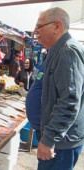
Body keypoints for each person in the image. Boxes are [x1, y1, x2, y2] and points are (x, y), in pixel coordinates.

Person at [34, 7, 84, 170]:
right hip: (60, 141)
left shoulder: (67, 51)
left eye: (40, 26)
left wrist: (49, 139)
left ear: (57, 26)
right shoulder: (58, 50)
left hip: (61, 144)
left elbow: (69, 102)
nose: (36, 31)